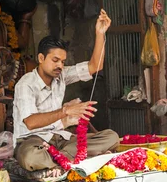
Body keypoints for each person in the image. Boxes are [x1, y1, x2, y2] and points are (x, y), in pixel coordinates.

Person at [13, 10, 119, 172]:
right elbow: (31, 122)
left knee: (111, 137)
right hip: (33, 142)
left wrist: (100, 33)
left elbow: (94, 66)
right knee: (30, 157)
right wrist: (66, 111)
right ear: (41, 59)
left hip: (61, 140)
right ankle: (72, 158)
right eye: (55, 60)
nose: (60, 66)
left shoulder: (61, 75)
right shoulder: (26, 84)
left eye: (62, 61)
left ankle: (60, 158)